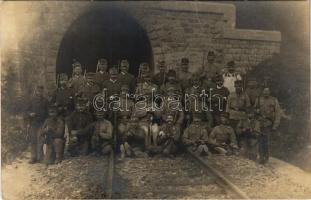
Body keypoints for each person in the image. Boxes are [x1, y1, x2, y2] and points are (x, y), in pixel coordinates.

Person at [254, 87, 281, 164]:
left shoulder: (274, 100)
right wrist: (256, 111)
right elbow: (254, 110)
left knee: (266, 141)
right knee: (259, 140)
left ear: (270, 92)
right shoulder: (258, 99)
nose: (266, 92)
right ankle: (261, 157)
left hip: (269, 123)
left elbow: (278, 113)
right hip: (259, 123)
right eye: (264, 91)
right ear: (262, 92)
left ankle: (266, 157)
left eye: (267, 91)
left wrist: (275, 125)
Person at [25, 85, 49, 163]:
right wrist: (30, 114)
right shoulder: (31, 100)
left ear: (43, 92)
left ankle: (40, 157)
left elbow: (48, 112)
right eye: (38, 91)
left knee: (40, 139)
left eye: (41, 91)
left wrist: (47, 123)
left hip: (42, 123)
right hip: (33, 123)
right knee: (33, 139)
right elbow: (27, 111)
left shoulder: (45, 101)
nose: (40, 92)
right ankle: (33, 157)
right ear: (36, 91)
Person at [226, 80, 251, 145]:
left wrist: (244, 111)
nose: (238, 88)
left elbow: (248, 106)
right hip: (232, 115)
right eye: (237, 86)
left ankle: (241, 146)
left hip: (241, 116)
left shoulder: (245, 95)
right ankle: (233, 146)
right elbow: (227, 106)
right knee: (232, 132)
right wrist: (227, 115)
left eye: (240, 86)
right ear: (235, 86)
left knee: (241, 132)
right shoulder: (231, 95)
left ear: (242, 86)